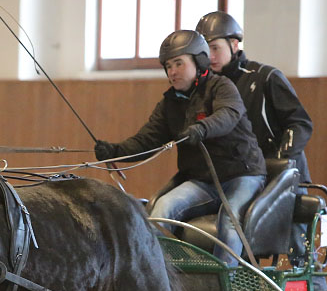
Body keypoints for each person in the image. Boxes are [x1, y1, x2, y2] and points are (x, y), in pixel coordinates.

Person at [94, 30, 266, 267]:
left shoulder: (221, 86)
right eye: (168, 66)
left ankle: (224, 286)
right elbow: (146, 140)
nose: (172, 71)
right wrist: (115, 151)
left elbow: (228, 114)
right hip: (202, 182)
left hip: (243, 175)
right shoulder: (169, 104)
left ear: (199, 61)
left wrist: (202, 128)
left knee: (230, 222)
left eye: (178, 63)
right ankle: (161, 278)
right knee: (162, 208)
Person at [195, 11, 315, 267]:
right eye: (206, 50)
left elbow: (300, 123)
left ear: (234, 44)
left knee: (300, 250)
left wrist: (281, 165)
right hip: (239, 178)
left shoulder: (265, 77)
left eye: (215, 48)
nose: (211, 56)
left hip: (282, 178)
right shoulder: (206, 88)